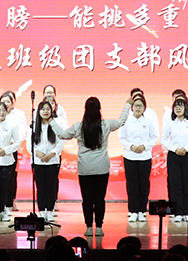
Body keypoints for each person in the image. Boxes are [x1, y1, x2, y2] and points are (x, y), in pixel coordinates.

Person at [52, 96, 133, 236]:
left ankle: (89, 227)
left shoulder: (79, 127)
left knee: (87, 200)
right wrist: (127, 105)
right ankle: (99, 227)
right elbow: (121, 121)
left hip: (85, 169)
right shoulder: (105, 125)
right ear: (99, 110)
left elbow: (62, 134)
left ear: (85, 110)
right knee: (100, 199)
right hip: (102, 168)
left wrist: (50, 121)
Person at [118, 94, 158, 222]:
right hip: (130, 156)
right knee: (132, 185)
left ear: (144, 108)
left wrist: (144, 146)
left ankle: (142, 210)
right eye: (136, 106)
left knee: (143, 184)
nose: (138, 108)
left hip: (145, 157)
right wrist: (131, 146)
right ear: (132, 107)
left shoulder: (148, 122)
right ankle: (133, 210)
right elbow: (121, 137)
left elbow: (154, 137)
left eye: (140, 106)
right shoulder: (126, 122)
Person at [162, 96, 188, 223]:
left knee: (186, 185)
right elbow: (163, 139)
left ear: (186, 108)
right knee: (175, 185)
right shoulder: (170, 122)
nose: (178, 108)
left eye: (180, 105)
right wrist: (174, 149)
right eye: (176, 106)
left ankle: (185, 212)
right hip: (173, 156)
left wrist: (186, 148)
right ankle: (178, 212)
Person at [32, 99, 64, 222]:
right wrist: (38, 153)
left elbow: (60, 142)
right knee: (40, 188)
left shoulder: (55, 125)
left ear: (52, 111)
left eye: (48, 109)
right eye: (43, 109)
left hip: (52, 162)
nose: (45, 111)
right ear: (38, 112)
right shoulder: (34, 127)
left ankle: (50, 212)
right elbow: (30, 145)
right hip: (38, 162)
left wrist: (52, 154)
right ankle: (41, 212)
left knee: (51, 188)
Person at [0, 91, 28, 212]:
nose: (6, 103)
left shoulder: (19, 114)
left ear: (13, 102)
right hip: (0, 149)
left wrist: (15, 141)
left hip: (12, 149)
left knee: (11, 175)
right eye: (4, 101)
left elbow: (23, 129)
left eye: (8, 101)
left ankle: (10, 201)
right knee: (0, 175)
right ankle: (1, 202)